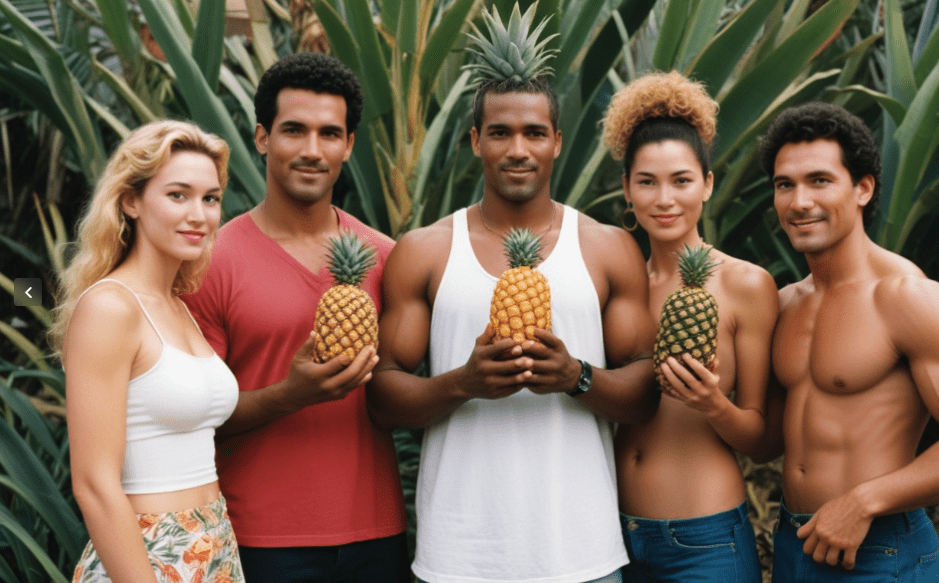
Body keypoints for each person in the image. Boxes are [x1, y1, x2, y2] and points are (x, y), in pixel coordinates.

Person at [367, 45, 659, 583]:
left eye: (534, 133)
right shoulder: (425, 250)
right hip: (460, 555)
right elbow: (382, 395)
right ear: (476, 141)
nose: (517, 149)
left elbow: (645, 392)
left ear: (557, 143)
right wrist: (461, 383)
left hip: (580, 554)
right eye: (500, 132)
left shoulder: (607, 247)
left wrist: (577, 377)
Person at [759, 102, 939, 581]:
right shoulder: (786, 303)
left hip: (878, 553)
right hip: (794, 545)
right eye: (784, 184)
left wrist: (862, 502)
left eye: (819, 180)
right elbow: (768, 441)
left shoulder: (908, 298)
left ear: (863, 188)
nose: (799, 202)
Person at [181, 53, 408, 582]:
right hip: (258, 537)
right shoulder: (209, 263)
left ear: (348, 145)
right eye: (293, 130)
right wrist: (290, 393)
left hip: (377, 535)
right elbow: (191, 418)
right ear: (261, 138)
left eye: (330, 133)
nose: (312, 150)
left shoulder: (386, 258)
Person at [601, 71, 778, 582]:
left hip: (705, 542)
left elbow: (763, 438)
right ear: (627, 191)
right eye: (646, 182)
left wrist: (713, 404)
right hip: (610, 537)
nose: (664, 199)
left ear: (708, 183)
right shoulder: (615, 284)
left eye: (681, 180)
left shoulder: (746, 285)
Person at [51, 120, 244, 582]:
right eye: (178, 195)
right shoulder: (110, 307)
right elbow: (95, 485)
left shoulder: (176, 306)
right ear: (131, 200)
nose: (198, 214)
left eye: (210, 198)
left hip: (212, 544)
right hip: (149, 553)